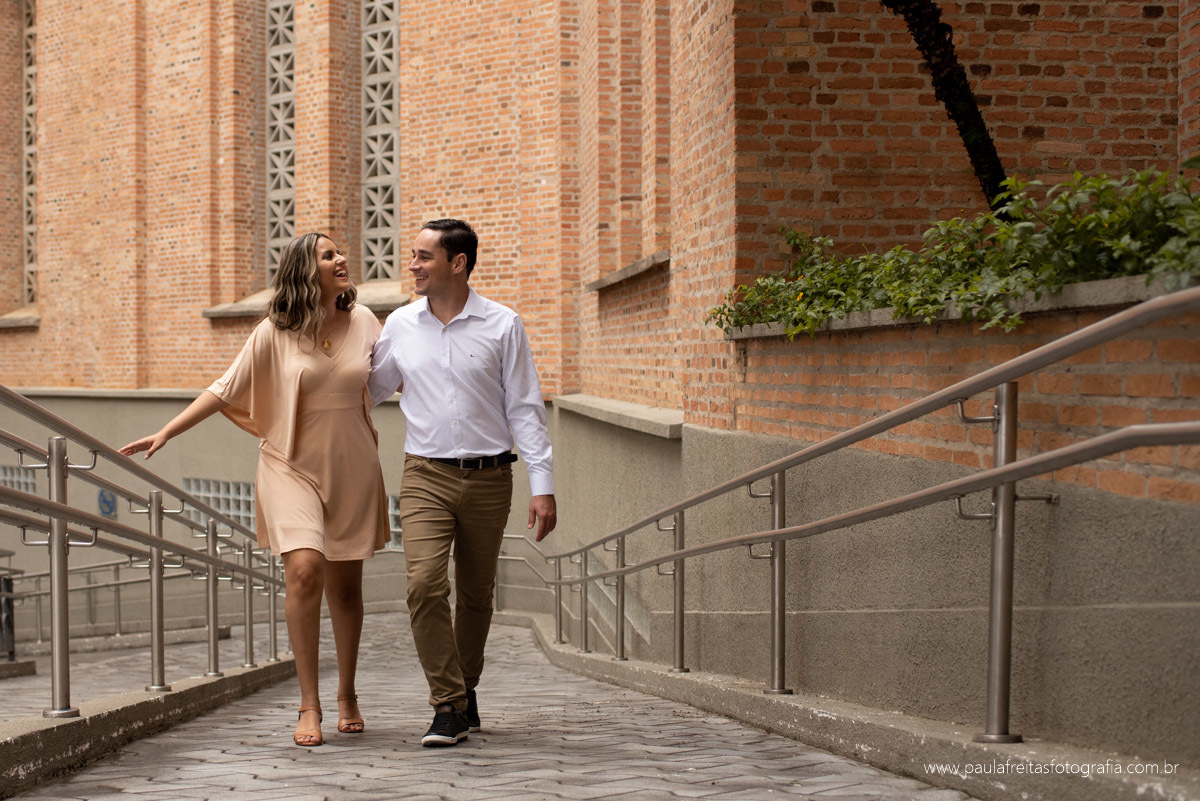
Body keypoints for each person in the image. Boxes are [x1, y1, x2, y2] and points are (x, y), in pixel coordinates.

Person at [120, 233, 389, 748]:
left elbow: (402, 375)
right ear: (304, 271)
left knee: (346, 589)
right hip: (289, 463)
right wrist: (167, 431)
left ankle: (347, 693)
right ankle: (309, 702)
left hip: (352, 465)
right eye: (329, 255)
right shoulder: (274, 331)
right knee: (305, 569)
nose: (341, 259)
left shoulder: (365, 321)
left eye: (340, 252)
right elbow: (225, 388)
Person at [368, 218, 556, 747]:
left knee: (476, 595)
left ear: (458, 263)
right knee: (424, 585)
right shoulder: (400, 325)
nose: (412, 265)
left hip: (490, 477)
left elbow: (524, 408)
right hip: (424, 475)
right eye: (413, 255)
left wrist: (543, 485)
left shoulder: (502, 324)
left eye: (423, 256)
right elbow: (368, 390)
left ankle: (464, 689)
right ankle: (447, 704)